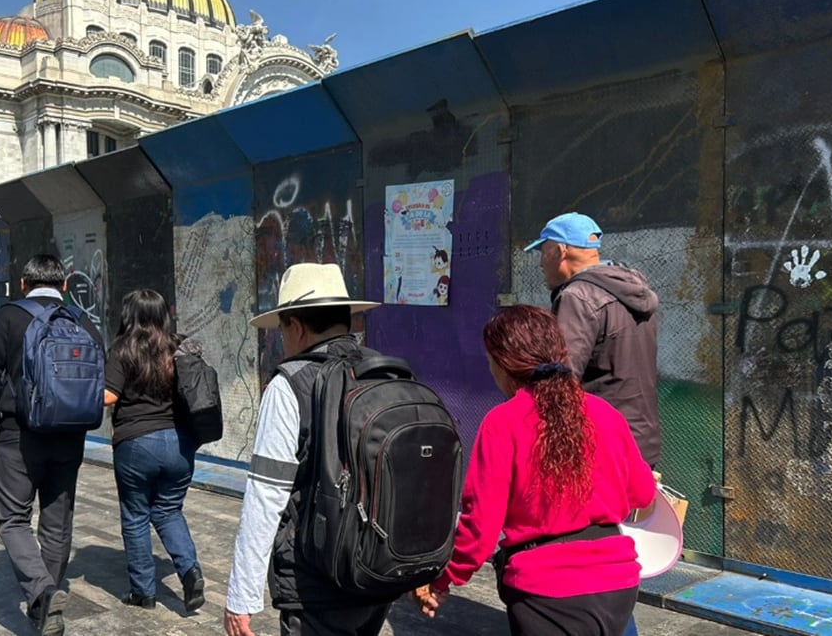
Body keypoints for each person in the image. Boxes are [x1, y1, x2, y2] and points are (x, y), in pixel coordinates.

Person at [411, 305, 656, 635]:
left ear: (503, 363)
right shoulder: (605, 413)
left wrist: (444, 578)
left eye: (489, 360)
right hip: (619, 583)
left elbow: (480, 528)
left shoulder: (503, 422)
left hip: (546, 591)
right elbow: (642, 493)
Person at [224, 262, 390, 636]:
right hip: (375, 571)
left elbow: (266, 495)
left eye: (282, 330)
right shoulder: (380, 371)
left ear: (295, 327)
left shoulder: (289, 386)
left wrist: (242, 596)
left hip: (317, 581)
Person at [0, 254, 103, 636]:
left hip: (17, 435)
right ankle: (45, 605)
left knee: (12, 517)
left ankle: (42, 592)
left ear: (23, 284)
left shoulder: (9, 317)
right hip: (70, 437)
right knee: (57, 522)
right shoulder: (82, 321)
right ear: (64, 286)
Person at [525, 212, 662, 469]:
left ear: (560, 250)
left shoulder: (578, 296)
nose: (542, 263)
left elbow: (561, 379)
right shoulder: (633, 289)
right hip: (641, 439)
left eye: (543, 252)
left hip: (600, 443)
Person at [103, 288, 205, 613]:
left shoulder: (123, 348)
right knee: (169, 510)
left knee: (136, 516)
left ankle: (143, 593)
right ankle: (190, 571)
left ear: (128, 315)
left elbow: (108, 396)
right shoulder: (178, 348)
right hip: (179, 444)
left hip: (136, 444)